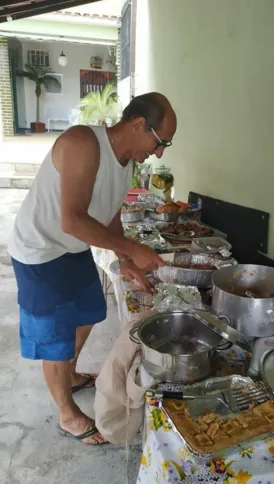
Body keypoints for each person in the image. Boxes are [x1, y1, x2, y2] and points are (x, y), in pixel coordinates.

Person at [8, 92, 177, 445]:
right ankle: (67, 414)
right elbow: (72, 220)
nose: (159, 153)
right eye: (160, 142)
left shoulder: (127, 161)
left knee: (88, 314)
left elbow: (111, 211)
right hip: (40, 250)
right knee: (56, 340)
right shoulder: (83, 143)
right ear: (137, 125)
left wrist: (127, 260)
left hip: (72, 248)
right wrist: (132, 248)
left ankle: (68, 375)